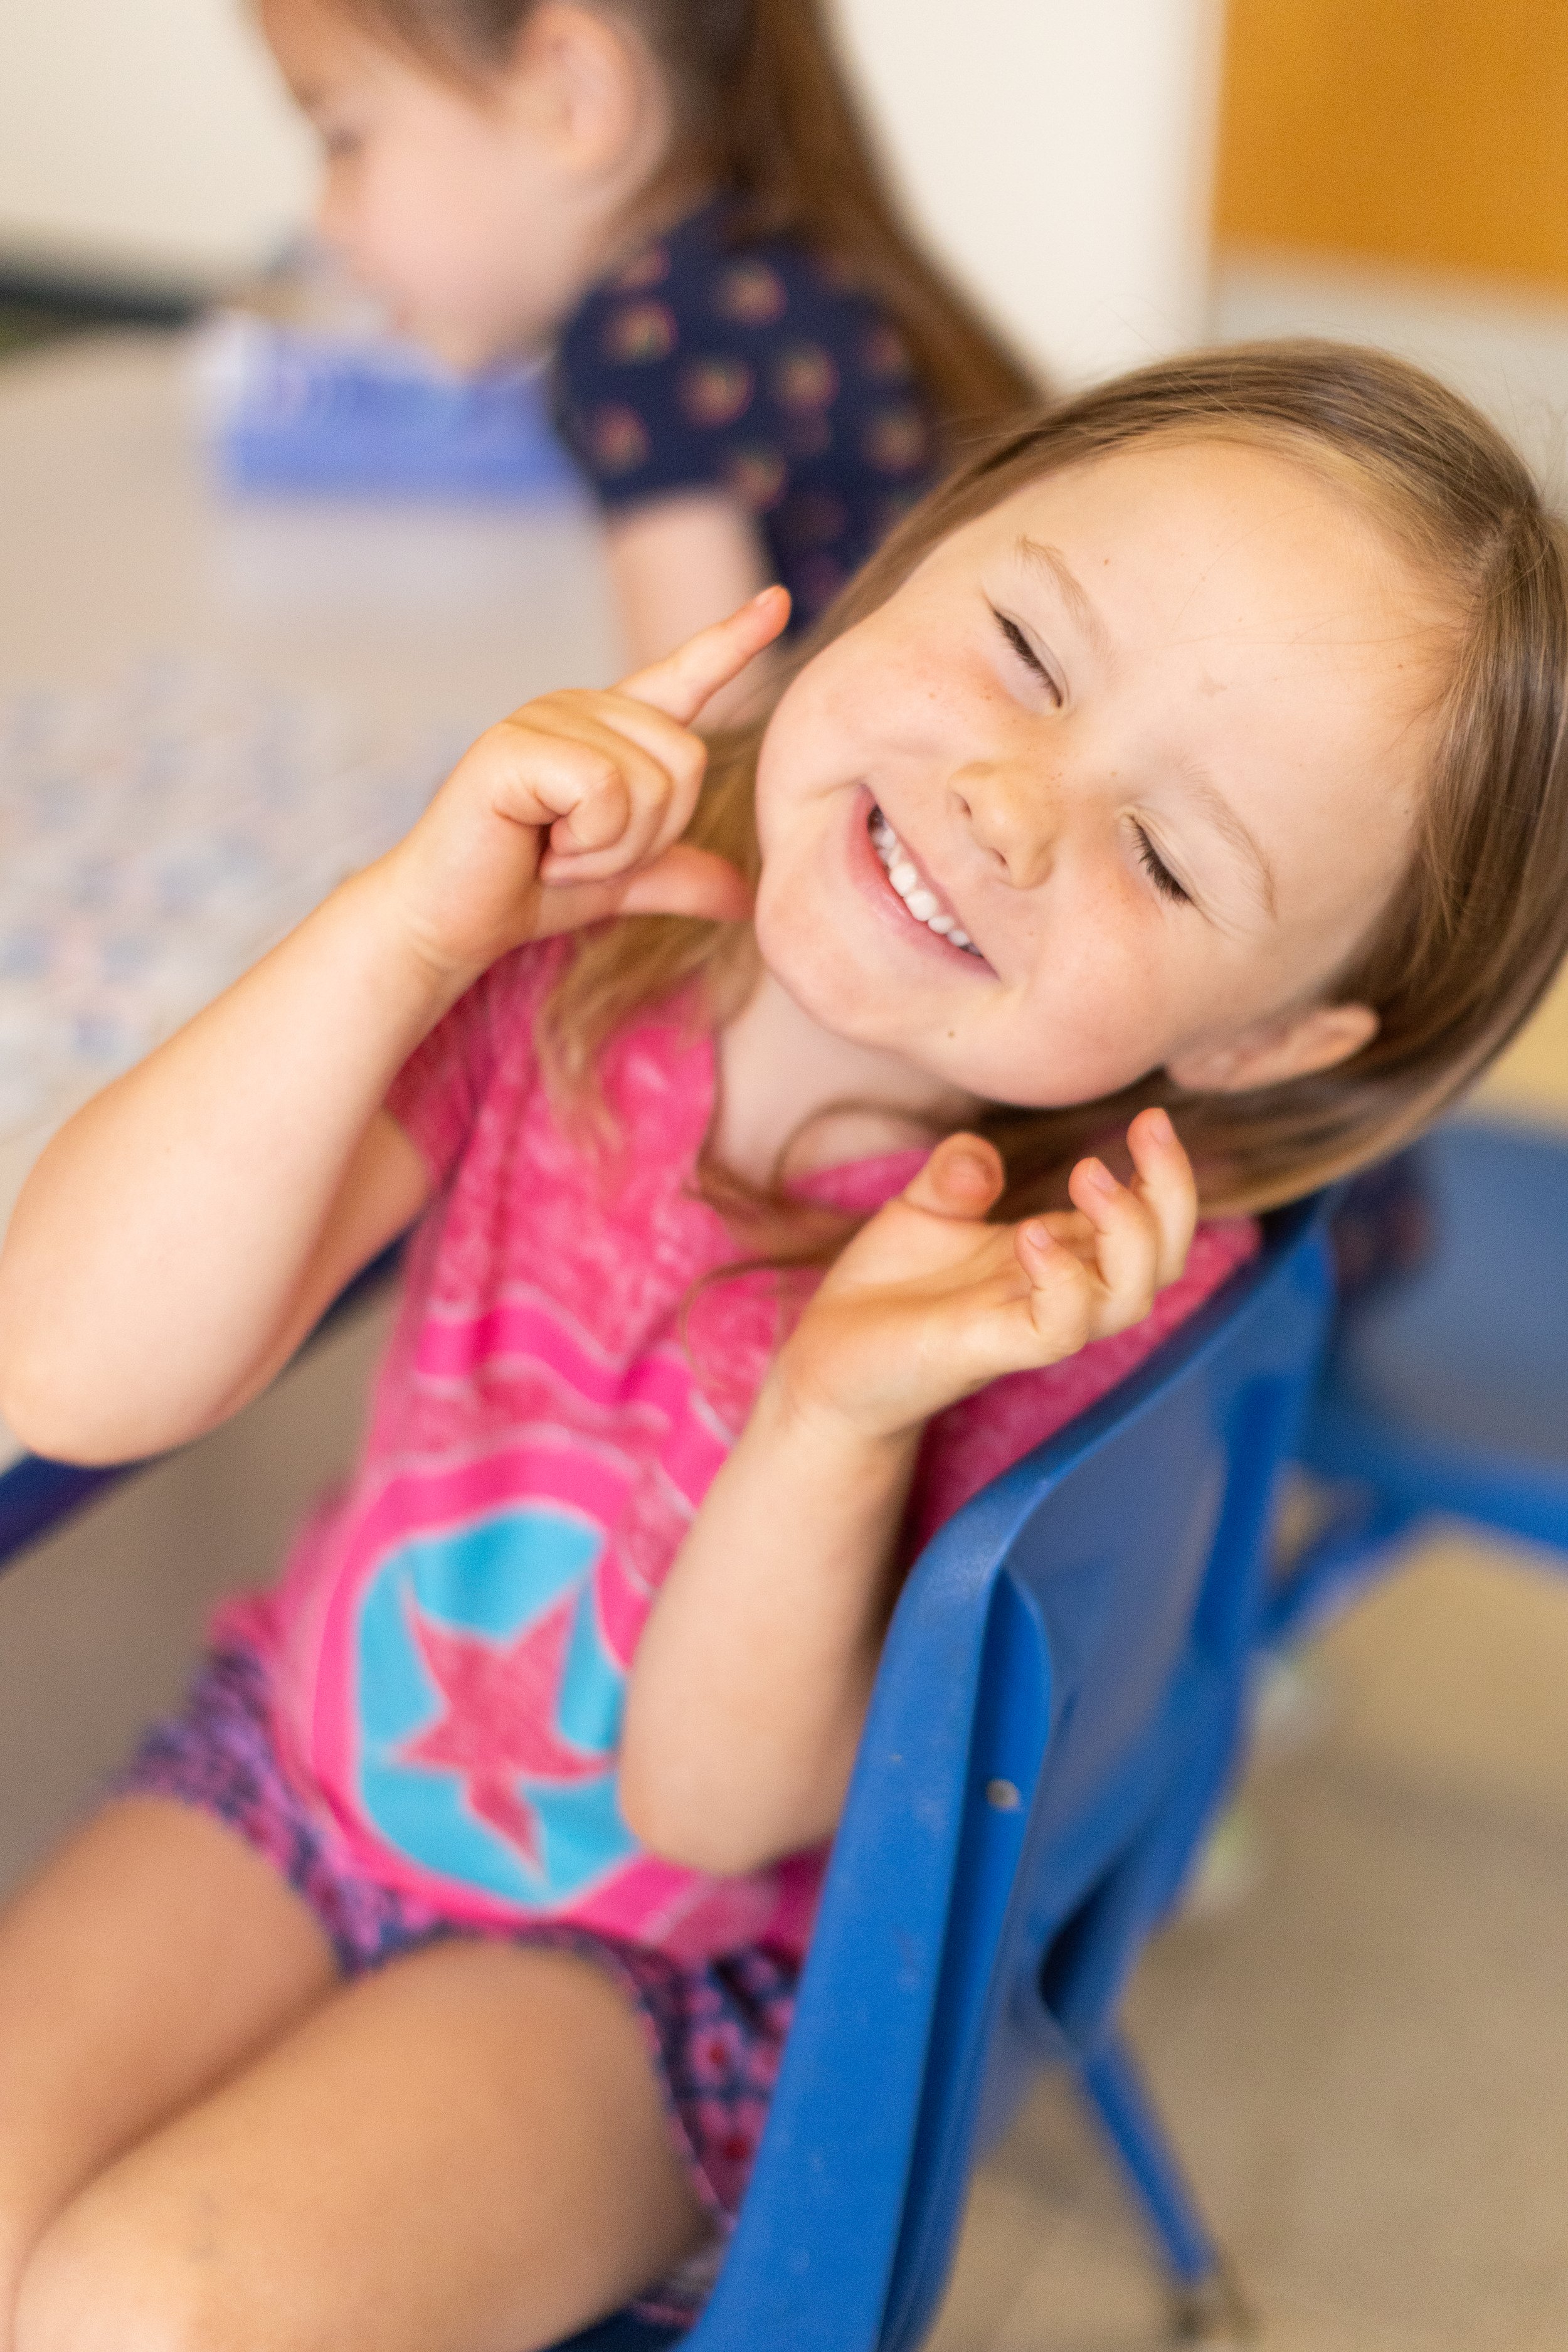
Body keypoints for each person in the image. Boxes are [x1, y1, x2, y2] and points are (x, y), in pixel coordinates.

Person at [2, 340, 1567, 2351]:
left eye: (1165, 857)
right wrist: (396, 928)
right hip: (307, 1758)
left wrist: (837, 1400)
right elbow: (66, 1367)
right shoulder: (568, 945)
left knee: (149, 2305)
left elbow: (706, 1807)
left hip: (651, 1974)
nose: (1009, 803)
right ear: (913, 550)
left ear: (1253, 1040)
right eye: (1019, 643)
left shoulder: (1060, 1286)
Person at [258, 0, 1038, 694]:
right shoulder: (774, 263)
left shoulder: (634, 345)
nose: (326, 223)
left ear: (573, 93)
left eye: (343, 140)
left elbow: (701, 729)